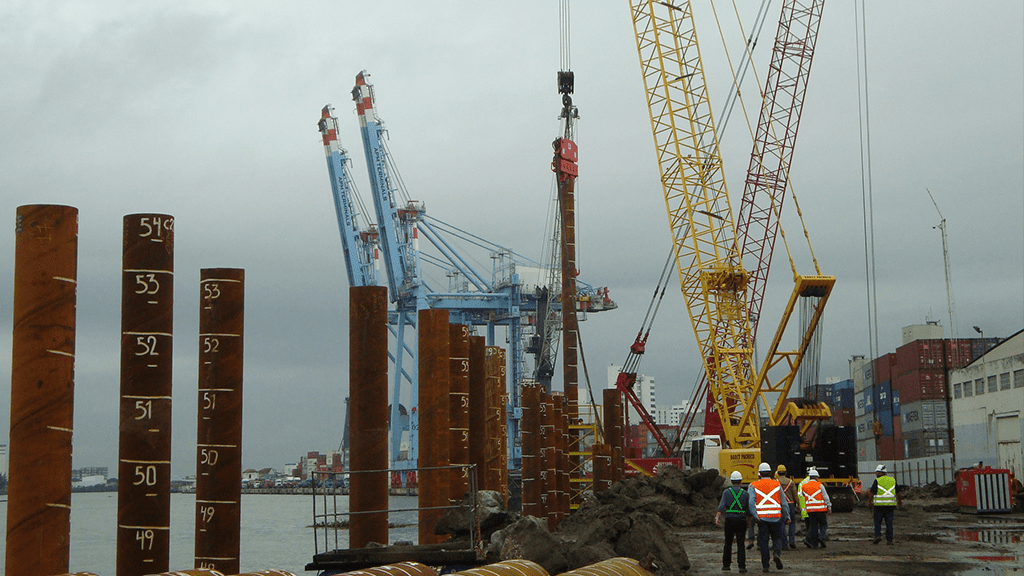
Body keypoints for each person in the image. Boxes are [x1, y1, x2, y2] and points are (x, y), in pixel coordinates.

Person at [748, 462, 790, 573]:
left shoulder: (753, 485)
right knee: (777, 538)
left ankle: (765, 566)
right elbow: (784, 503)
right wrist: (787, 516)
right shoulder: (777, 484)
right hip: (776, 517)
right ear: (771, 473)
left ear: (759, 474)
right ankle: (776, 553)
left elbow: (751, 502)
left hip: (762, 519)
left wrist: (755, 516)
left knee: (763, 542)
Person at [715, 470, 751, 573]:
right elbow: (748, 511)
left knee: (728, 543)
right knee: (741, 544)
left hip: (729, 520)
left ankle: (726, 565)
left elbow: (721, 507)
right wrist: (748, 522)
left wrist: (717, 518)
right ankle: (742, 566)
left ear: (731, 481)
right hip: (741, 520)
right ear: (741, 482)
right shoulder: (745, 494)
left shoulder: (726, 492)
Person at [867, 463, 901, 544]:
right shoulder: (892, 480)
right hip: (890, 506)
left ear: (882, 473)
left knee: (877, 522)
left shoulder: (877, 481)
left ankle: (877, 536)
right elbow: (898, 492)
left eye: (877, 472)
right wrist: (899, 501)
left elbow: (871, 493)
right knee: (889, 523)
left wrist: (869, 502)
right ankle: (889, 540)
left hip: (879, 506)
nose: (876, 474)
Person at [800, 468, 832, 548]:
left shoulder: (804, 487)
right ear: (816, 477)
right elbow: (825, 497)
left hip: (810, 509)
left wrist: (802, 509)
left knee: (813, 525)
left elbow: (801, 498)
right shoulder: (820, 485)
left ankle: (814, 543)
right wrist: (829, 506)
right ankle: (821, 537)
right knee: (823, 524)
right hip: (820, 509)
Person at [775, 464, 798, 549]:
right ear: (785, 472)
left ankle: (784, 544)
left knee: (782, 524)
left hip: (780, 505)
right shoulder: (790, 482)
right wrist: (798, 504)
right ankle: (792, 541)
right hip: (790, 504)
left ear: (777, 472)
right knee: (792, 523)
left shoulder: (775, 482)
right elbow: (795, 494)